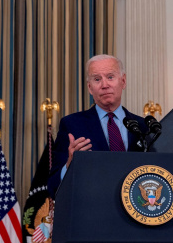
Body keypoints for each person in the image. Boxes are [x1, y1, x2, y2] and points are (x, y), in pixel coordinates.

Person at [48, 54, 148, 199]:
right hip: (93, 212)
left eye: (110, 77)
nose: (104, 85)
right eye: (97, 79)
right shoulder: (72, 125)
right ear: (90, 88)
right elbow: (53, 187)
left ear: (123, 81)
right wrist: (69, 165)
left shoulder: (143, 127)